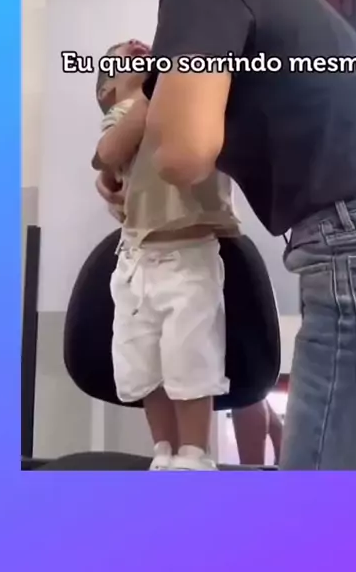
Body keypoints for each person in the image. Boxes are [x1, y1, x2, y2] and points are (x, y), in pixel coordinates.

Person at [96, 0, 356, 471]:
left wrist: (145, 127)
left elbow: (183, 153)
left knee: (330, 498)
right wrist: (115, 155)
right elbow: (136, 131)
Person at [93, 39, 240, 471]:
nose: (135, 46)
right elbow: (108, 154)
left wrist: (165, 82)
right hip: (137, 260)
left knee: (191, 357)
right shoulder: (123, 113)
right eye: (123, 56)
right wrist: (149, 92)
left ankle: (193, 453)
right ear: (108, 91)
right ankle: (163, 449)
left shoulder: (185, 101)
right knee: (143, 362)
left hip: (189, 254)